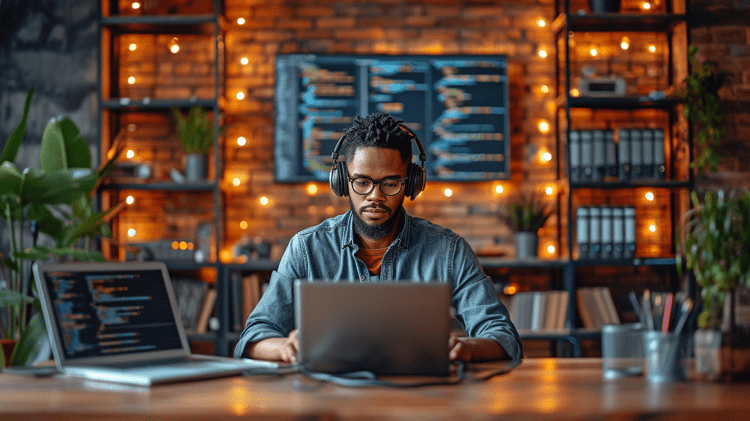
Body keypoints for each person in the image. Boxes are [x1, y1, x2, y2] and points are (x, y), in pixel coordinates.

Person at [234, 112, 522, 364]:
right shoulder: (307, 248)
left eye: (390, 183)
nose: (375, 196)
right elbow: (255, 336)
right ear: (342, 181)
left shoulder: (448, 250)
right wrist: (285, 347)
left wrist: (467, 348)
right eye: (362, 182)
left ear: (411, 182)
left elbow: (504, 337)